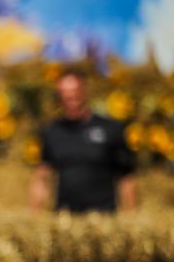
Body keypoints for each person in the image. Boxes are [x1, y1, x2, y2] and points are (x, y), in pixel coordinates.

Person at [29, 67, 138, 213]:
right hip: (65, 218)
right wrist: (34, 214)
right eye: (64, 93)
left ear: (85, 91)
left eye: (74, 91)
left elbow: (126, 178)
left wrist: (132, 216)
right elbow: (43, 177)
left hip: (104, 218)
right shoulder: (52, 131)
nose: (70, 98)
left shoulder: (110, 129)